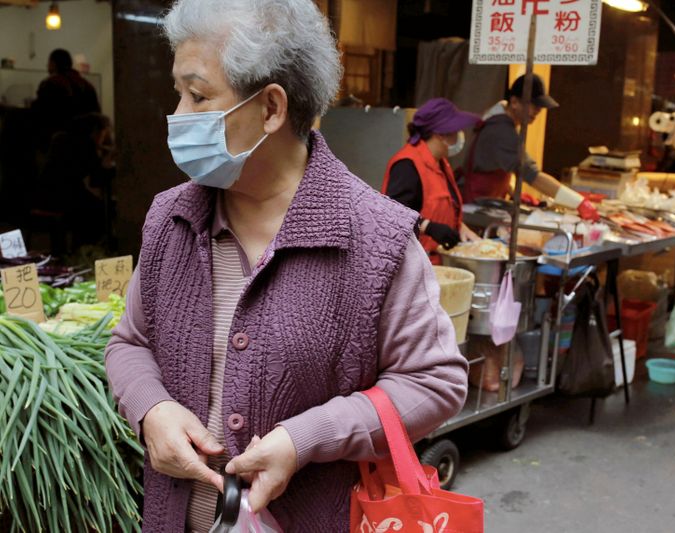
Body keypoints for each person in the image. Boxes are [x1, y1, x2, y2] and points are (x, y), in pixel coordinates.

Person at [103, 1, 468, 531]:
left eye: (198, 95)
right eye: (178, 93)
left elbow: (434, 381)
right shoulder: (171, 219)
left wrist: (305, 439)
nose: (178, 115)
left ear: (271, 108)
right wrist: (151, 408)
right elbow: (130, 343)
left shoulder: (372, 239)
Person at [461, 74, 599, 221]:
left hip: (484, 202)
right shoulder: (502, 131)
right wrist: (579, 203)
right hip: (474, 207)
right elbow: (533, 175)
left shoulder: (501, 122)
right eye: (533, 104)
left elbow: (495, 164)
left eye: (540, 106)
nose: (538, 110)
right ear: (514, 102)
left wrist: (514, 193)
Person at [382, 98, 481, 263]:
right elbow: (391, 216)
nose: (459, 136)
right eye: (456, 131)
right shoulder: (407, 165)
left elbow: (445, 207)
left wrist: (461, 228)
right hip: (414, 264)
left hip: (439, 263)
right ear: (440, 134)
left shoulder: (441, 163)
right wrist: (429, 227)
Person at [36, 112, 115, 249]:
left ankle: (77, 248)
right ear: (96, 131)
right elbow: (96, 180)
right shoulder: (86, 144)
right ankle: (86, 249)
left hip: (43, 195)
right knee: (99, 210)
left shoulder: (61, 137)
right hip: (65, 197)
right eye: (104, 132)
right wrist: (112, 166)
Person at [32, 49, 100, 148]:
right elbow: (96, 113)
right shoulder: (87, 85)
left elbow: (39, 112)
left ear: (53, 64)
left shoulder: (51, 82)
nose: (47, 67)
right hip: (86, 142)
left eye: (48, 63)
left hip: (58, 142)